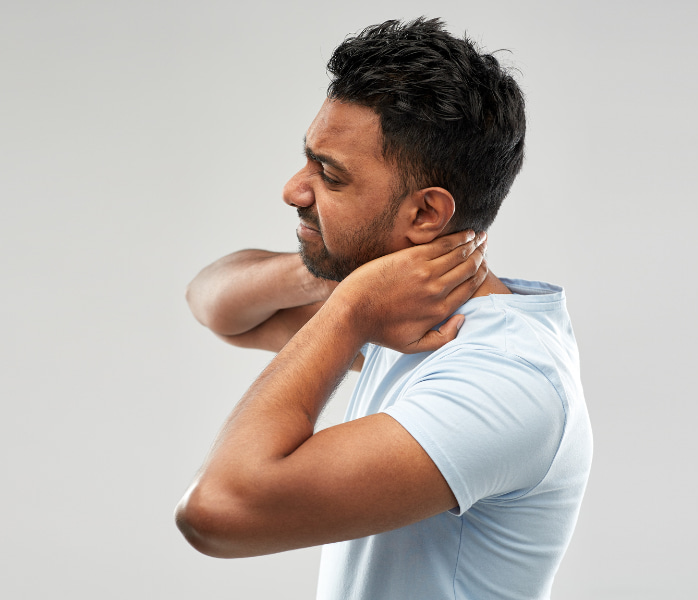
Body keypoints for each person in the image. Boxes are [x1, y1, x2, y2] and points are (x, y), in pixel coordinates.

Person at [175, 18, 592, 600]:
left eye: (330, 175)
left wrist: (351, 306)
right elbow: (216, 304)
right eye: (308, 160)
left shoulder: (501, 378)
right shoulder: (410, 309)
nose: (294, 190)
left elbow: (217, 511)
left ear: (424, 216)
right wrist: (339, 273)